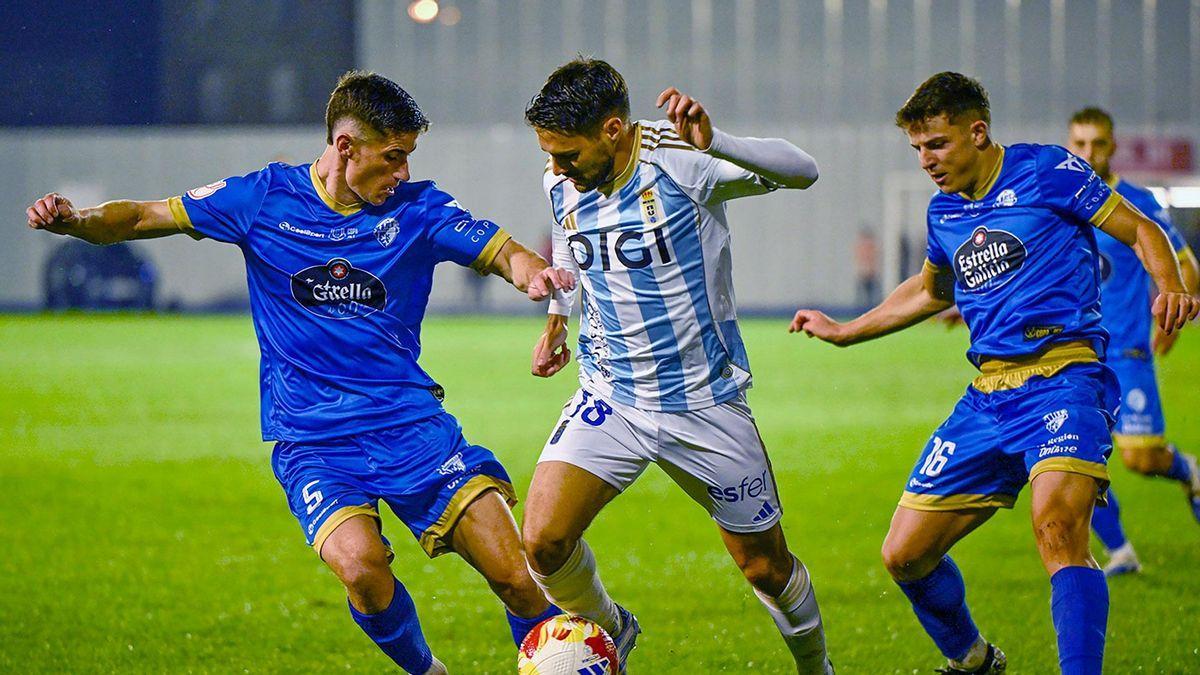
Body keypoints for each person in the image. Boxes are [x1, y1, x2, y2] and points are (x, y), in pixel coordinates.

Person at [25, 70, 573, 674]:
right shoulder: (262, 199)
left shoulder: (418, 209)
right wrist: (75, 221)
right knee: (362, 569)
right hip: (313, 441)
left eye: (408, 158)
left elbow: (502, 251)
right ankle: (427, 671)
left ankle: (571, 655)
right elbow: (139, 218)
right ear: (346, 147)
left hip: (409, 426)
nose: (402, 175)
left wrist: (534, 275)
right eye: (392, 159)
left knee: (517, 576)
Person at [789, 72, 1198, 674]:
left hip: (1066, 376)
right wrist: (847, 330)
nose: (926, 160)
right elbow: (930, 292)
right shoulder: (944, 212)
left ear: (977, 132)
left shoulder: (1049, 171)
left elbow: (1139, 228)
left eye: (937, 145)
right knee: (904, 555)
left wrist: (1170, 284)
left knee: (1058, 531)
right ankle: (975, 660)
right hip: (988, 397)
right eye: (917, 150)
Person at [520, 58, 832, 674]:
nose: (557, 168)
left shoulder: (682, 158)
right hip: (610, 396)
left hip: (703, 403)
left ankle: (815, 669)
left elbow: (805, 170)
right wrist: (558, 319)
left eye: (568, 154)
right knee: (544, 540)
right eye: (550, 155)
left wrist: (717, 142)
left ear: (613, 130)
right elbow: (567, 242)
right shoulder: (563, 179)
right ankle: (612, 631)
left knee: (765, 567)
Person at [1066, 106, 1200, 576]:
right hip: (1071, 358)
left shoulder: (1137, 202)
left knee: (1140, 458)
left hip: (1126, 351)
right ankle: (1120, 551)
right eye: (1079, 144)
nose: (1088, 153)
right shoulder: (1060, 203)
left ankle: (1190, 472)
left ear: (1112, 146)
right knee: (1070, 459)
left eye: (1097, 143)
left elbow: (1188, 268)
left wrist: (1172, 315)